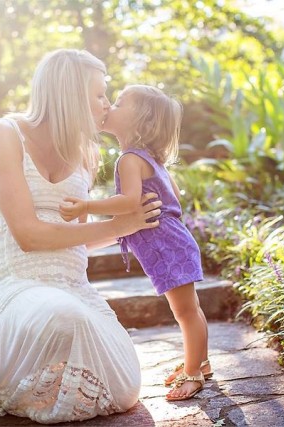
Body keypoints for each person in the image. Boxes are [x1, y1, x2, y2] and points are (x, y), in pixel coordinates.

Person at [0, 50, 163, 424]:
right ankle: (18, 380)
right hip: (8, 288)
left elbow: (77, 238)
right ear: (69, 93)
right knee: (62, 318)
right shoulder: (4, 133)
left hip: (71, 289)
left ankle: (43, 378)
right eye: (99, 94)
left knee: (125, 385)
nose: (106, 104)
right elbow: (29, 235)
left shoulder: (86, 153)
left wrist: (138, 223)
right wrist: (119, 226)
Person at [59, 85, 212, 401]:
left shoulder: (129, 159)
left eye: (118, 103)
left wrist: (87, 205)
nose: (109, 106)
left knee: (185, 312)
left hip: (167, 247)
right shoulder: (151, 159)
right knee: (190, 309)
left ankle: (194, 374)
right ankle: (201, 362)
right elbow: (175, 197)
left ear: (140, 119)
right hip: (175, 242)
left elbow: (129, 202)